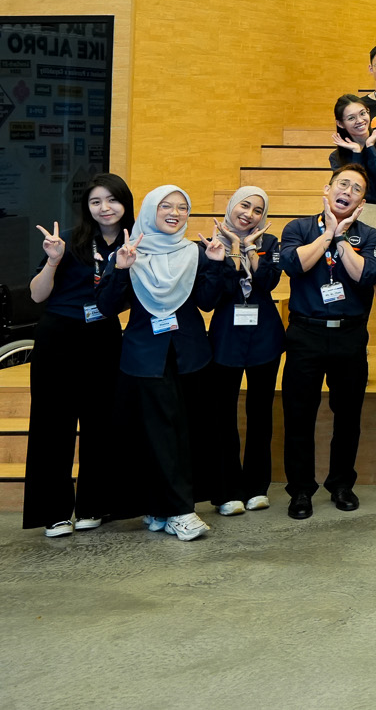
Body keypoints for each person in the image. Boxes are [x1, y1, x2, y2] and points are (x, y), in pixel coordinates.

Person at [96, 185, 218, 540]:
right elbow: (106, 307)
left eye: (183, 207)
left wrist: (214, 264)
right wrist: (120, 269)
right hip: (146, 356)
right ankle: (180, 511)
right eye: (167, 205)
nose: (175, 212)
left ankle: (161, 507)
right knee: (159, 435)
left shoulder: (195, 251)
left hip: (189, 354)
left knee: (184, 434)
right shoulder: (129, 252)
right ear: (151, 211)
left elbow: (207, 303)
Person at [23, 174, 129, 537]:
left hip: (105, 339)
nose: (105, 208)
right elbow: (37, 296)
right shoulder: (66, 240)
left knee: (102, 426)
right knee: (54, 426)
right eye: (96, 201)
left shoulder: (133, 245)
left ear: (124, 203)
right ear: (87, 207)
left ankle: (93, 505)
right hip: (60, 338)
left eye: (112, 200)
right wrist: (53, 261)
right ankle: (53, 512)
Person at [277, 165, 376, 519]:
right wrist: (327, 235)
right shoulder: (298, 228)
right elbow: (293, 265)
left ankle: (341, 484)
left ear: (362, 201)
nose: (348, 191)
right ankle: (301, 490)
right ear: (328, 189)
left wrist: (341, 239)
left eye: (356, 189)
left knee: (348, 416)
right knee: (299, 415)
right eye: (343, 185)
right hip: (305, 335)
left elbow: (364, 275)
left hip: (350, 337)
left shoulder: (368, 235)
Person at [195, 186, 283, 518]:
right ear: (231, 206)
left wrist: (248, 250)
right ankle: (227, 490)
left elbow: (269, 282)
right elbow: (209, 299)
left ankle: (257, 487)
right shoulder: (209, 245)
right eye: (244, 206)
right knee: (222, 418)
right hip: (225, 340)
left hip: (265, 338)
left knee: (261, 414)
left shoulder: (270, 243)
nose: (249, 213)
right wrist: (227, 255)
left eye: (258, 210)